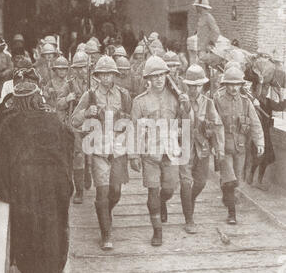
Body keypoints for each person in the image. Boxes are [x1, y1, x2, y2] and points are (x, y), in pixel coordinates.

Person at [0, 81, 74, 273]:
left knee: (27, 235)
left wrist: (4, 191)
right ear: (38, 98)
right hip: (51, 188)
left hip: (24, 189)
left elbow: (2, 162)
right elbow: (69, 144)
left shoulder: (9, 123)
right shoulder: (53, 120)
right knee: (51, 237)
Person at [72, 56, 132, 250]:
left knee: (115, 192)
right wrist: (87, 112)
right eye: (103, 74)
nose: (106, 77)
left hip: (118, 149)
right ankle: (106, 234)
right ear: (97, 76)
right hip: (98, 150)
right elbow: (74, 121)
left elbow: (132, 120)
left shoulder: (123, 95)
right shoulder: (89, 95)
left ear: (115, 75)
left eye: (110, 74)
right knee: (102, 193)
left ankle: (106, 213)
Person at [130, 56, 185, 247]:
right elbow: (134, 129)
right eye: (154, 76)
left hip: (170, 151)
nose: (159, 79)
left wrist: (186, 105)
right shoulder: (140, 102)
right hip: (150, 153)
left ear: (166, 76)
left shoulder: (176, 97)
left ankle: (163, 202)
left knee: (169, 189)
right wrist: (134, 155)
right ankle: (157, 231)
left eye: (162, 75)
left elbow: (186, 121)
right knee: (153, 191)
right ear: (148, 79)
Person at [214, 67, 264, 224]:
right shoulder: (218, 99)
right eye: (230, 84)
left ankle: (226, 192)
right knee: (230, 179)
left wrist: (259, 141)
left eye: (237, 84)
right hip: (223, 147)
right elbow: (210, 122)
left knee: (236, 181)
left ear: (241, 85)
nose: (234, 88)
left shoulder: (245, 101)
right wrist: (212, 144)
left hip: (241, 148)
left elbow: (255, 123)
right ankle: (232, 214)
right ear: (225, 85)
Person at [181, 65, 225, 233]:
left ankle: (188, 201)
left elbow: (217, 125)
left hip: (203, 148)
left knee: (200, 182)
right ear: (186, 85)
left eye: (198, 85)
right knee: (186, 182)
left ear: (202, 86)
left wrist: (219, 149)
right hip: (183, 148)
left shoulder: (208, 103)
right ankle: (189, 219)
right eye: (191, 85)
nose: (194, 89)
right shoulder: (181, 100)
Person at [57, 51, 91, 201]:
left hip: (92, 122)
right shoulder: (69, 84)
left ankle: (87, 172)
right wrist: (67, 99)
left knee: (91, 154)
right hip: (75, 124)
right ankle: (79, 191)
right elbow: (58, 103)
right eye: (78, 68)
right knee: (78, 155)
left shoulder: (94, 83)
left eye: (84, 67)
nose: (81, 71)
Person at [247, 83, 286, 190]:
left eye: (267, 88)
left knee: (267, 157)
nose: (265, 90)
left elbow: (281, 107)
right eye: (264, 88)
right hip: (256, 132)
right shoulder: (253, 101)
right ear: (258, 89)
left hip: (266, 133)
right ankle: (251, 173)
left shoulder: (268, 101)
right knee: (258, 155)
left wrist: (280, 94)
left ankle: (259, 181)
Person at [193, 0, 220, 66]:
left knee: (203, 67)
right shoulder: (201, 18)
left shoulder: (208, 17)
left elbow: (216, 31)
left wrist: (211, 43)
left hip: (205, 49)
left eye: (197, 6)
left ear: (201, 7)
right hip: (200, 48)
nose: (196, 8)